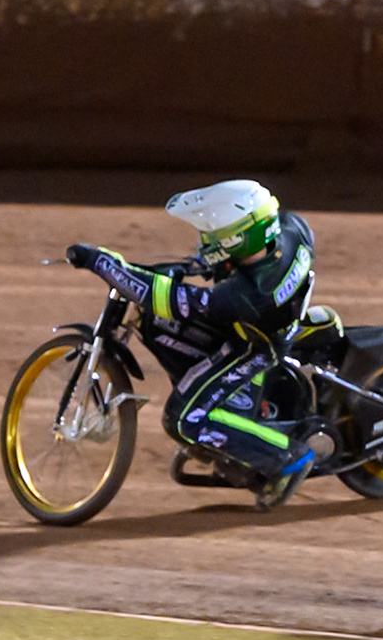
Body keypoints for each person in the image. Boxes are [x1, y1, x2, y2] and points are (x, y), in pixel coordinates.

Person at [65, 179, 321, 509]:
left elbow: (168, 298)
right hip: (270, 320)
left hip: (253, 347)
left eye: (216, 235)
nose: (206, 240)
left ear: (239, 237)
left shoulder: (241, 296)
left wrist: (102, 263)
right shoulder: (290, 230)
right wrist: (213, 264)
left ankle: (286, 457)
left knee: (184, 418)